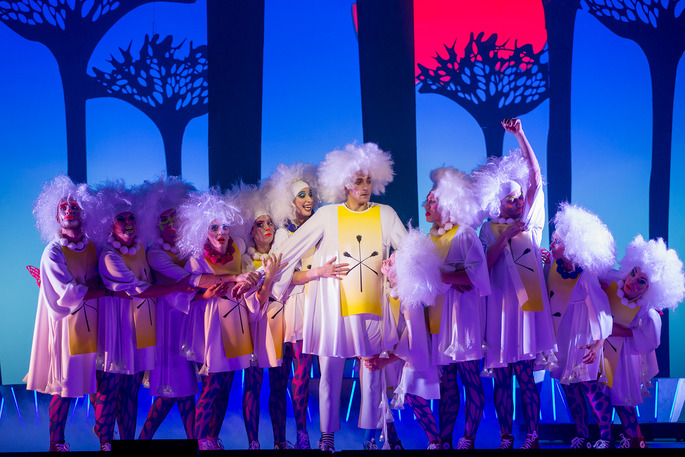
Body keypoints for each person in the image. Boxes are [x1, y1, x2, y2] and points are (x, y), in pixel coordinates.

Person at [271, 143, 406, 451]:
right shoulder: (327, 215)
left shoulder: (386, 214)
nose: (365, 187)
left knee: (372, 371)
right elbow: (289, 250)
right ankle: (327, 436)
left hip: (371, 307)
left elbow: (409, 251)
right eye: (358, 181)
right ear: (345, 183)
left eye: (368, 181)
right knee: (330, 374)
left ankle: (372, 438)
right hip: (334, 308)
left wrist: (399, 270)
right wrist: (264, 277)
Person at [91, 181, 196, 451]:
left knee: (131, 393)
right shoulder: (109, 256)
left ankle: (127, 444)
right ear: (109, 225)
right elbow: (138, 290)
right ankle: (105, 443)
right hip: (118, 333)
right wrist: (177, 287)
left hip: (142, 332)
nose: (128, 223)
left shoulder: (141, 249)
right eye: (121, 219)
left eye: (131, 218)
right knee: (110, 390)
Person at [473, 118, 556, 449]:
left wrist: (520, 134)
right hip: (498, 311)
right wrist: (505, 235)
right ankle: (506, 436)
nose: (519, 203)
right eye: (512, 200)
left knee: (525, 376)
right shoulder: (486, 230)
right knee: (502, 379)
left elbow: (536, 177)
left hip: (526, 312)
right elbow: (484, 265)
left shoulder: (531, 223)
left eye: (520, 198)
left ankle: (532, 436)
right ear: (498, 203)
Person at [25, 176, 115, 452]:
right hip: (69, 329)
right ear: (56, 217)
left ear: (83, 213)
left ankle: (106, 440)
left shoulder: (95, 246)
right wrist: (106, 292)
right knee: (64, 388)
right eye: (63, 207)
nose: (68, 211)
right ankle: (57, 443)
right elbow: (68, 293)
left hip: (97, 324)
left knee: (101, 384)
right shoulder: (52, 251)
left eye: (74, 206)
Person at [175, 188, 268, 450]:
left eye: (225, 226)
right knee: (212, 385)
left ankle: (213, 437)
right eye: (214, 227)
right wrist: (214, 289)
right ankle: (200, 439)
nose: (221, 232)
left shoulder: (238, 249)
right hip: (211, 328)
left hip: (236, 324)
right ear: (203, 231)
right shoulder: (196, 258)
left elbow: (250, 273)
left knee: (226, 385)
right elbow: (190, 290)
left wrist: (253, 277)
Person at [266, 162, 349, 449]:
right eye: (301, 195)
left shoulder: (322, 229)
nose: (309, 199)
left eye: (310, 193)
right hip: (286, 311)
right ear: (289, 203)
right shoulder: (284, 234)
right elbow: (281, 278)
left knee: (302, 377)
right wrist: (317, 273)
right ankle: (281, 439)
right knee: (280, 380)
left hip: (313, 307)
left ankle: (303, 434)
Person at [600, 235, 685, 448]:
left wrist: (620, 331)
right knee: (602, 398)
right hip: (600, 351)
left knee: (622, 400)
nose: (633, 281)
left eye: (642, 281)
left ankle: (635, 441)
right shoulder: (611, 280)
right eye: (633, 273)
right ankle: (606, 439)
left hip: (624, 357)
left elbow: (650, 341)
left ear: (651, 288)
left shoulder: (647, 312)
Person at [135, 176, 200, 440]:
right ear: (155, 224)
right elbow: (185, 279)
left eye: (175, 217)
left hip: (190, 321)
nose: (171, 224)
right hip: (168, 324)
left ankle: (194, 441)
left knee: (183, 389)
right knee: (175, 386)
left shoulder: (191, 249)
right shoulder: (155, 252)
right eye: (164, 219)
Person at [546, 203, 615, 449]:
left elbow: (601, 309)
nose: (551, 244)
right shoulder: (553, 267)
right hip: (563, 338)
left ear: (573, 245)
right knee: (569, 387)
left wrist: (598, 344)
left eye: (557, 241)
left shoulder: (587, 276)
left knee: (590, 387)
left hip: (583, 338)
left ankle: (605, 437)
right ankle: (582, 435)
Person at [234, 182, 292, 449]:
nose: (267, 227)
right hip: (254, 328)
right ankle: (253, 442)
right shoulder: (245, 261)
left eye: (270, 222)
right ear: (250, 231)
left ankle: (280, 441)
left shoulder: (285, 256)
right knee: (253, 386)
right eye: (260, 223)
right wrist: (267, 277)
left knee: (279, 386)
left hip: (280, 325)